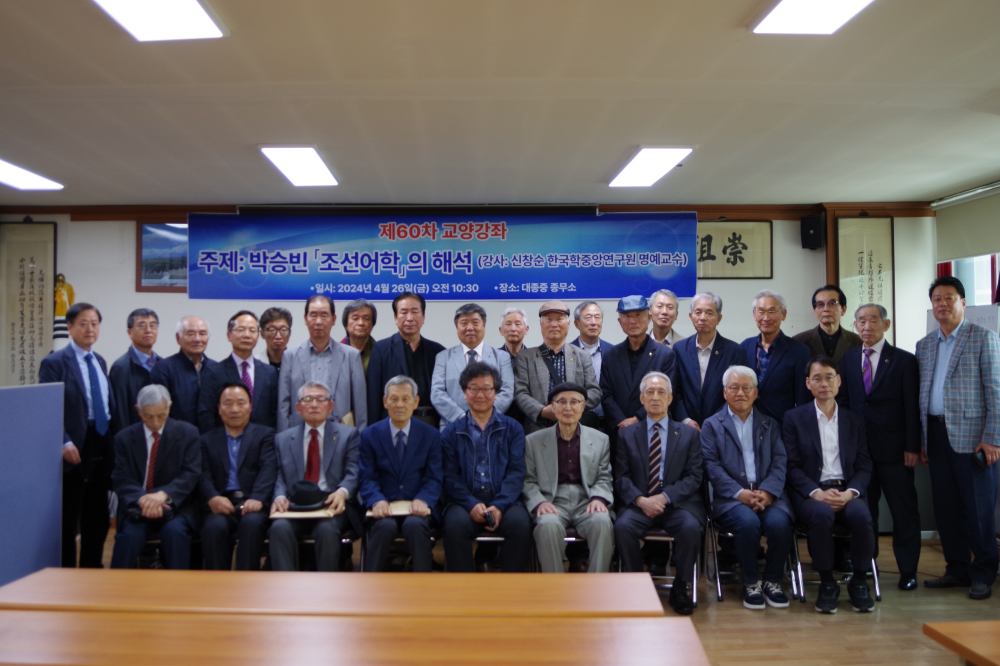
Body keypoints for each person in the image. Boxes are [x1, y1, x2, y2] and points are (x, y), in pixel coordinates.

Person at [917, 276, 1000, 600]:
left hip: (974, 439)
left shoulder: (984, 338)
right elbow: (924, 394)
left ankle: (983, 573)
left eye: (949, 298)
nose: (942, 304)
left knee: (979, 511)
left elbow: (996, 392)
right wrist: (923, 439)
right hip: (936, 436)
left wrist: (992, 438)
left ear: (963, 303)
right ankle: (957, 569)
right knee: (947, 509)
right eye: (937, 299)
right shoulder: (925, 345)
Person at [783, 356, 876, 614]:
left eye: (829, 377)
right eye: (817, 378)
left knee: (861, 515)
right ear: (808, 384)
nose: (824, 383)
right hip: (811, 492)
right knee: (821, 514)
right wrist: (816, 492)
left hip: (847, 490)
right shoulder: (794, 418)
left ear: (839, 381)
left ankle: (859, 581)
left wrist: (849, 493)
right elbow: (791, 466)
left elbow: (864, 465)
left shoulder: (854, 420)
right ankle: (827, 583)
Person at [842, 303, 922, 591]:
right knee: (865, 513)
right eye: (861, 321)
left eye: (873, 320)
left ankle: (908, 570)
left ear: (886, 325)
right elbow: (846, 403)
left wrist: (912, 446)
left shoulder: (904, 360)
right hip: (860, 452)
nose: (867, 326)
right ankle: (866, 568)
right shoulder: (849, 358)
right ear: (855, 326)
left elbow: (912, 407)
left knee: (904, 512)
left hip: (895, 450)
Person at [701, 365, 793, 610]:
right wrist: (739, 493)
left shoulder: (770, 424)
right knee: (748, 523)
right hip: (731, 499)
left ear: (756, 392)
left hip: (769, 495)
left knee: (780, 524)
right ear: (724, 392)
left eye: (746, 388)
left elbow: (780, 461)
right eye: (734, 387)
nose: (740, 393)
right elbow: (711, 465)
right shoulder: (711, 425)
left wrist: (768, 492)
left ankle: (773, 580)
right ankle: (751, 582)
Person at [613, 372, 704, 616]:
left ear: (670, 398)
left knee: (691, 528)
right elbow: (621, 477)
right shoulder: (626, 434)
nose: (655, 397)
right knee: (622, 527)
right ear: (642, 398)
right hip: (639, 504)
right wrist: (641, 500)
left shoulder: (689, 434)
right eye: (650, 392)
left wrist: (664, 498)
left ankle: (681, 588)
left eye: (661, 392)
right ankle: (636, 587)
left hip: (677, 504)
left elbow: (694, 476)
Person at [39, 302, 115, 568]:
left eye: (94, 323)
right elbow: (47, 409)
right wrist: (64, 441)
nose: (90, 329)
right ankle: (67, 573)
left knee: (98, 515)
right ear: (70, 328)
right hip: (73, 445)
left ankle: (92, 569)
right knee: (69, 517)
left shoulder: (99, 360)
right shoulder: (54, 362)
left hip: (101, 441)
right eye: (83, 324)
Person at [441, 362, 532, 572]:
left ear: (496, 393)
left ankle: (512, 587)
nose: (480, 394)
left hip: (505, 500)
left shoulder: (513, 429)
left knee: (520, 525)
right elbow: (450, 477)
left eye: (487, 389)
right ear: (464, 393)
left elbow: (516, 472)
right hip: (464, 501)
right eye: (474, 389)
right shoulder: (450, 433)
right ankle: (463, 588)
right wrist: (471, 503)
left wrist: (499, 505)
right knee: (454, 527)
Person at [269, 381, 362, 571]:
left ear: (330, 406)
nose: (314, 404)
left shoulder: (348, 435)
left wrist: (342, 492)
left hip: (330, 503)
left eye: (320, 399)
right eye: (308, 399)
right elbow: (279, 475)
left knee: (326, 530)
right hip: (295, 504)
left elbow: (353, 472)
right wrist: (279, 496)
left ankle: (326, 586)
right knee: (279, 529)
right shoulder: (283, 439)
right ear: (298, 407)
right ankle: (283, 585)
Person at [522, 382, 614, 573]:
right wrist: (539, 503)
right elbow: (528, 480)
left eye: (574, 402)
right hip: (552, 500)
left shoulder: (600, 439)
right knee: (547, 525)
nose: (568, 407)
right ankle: (555, 586)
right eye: (561, 402)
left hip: (587, 499)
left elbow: (604, 476)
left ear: (583, 405)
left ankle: (598, 584)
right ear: (552, 406)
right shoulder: (533, 441)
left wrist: (598, 498)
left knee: (602, 522)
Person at [110, 384, 201, 569]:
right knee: (129, 537)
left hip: (175, 507)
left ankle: (179, 585)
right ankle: (115, 585)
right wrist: (144, 500)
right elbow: (121, 477)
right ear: (138, 410)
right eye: (148, 416)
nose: (155, 422)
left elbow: (191, 473)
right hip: (138, 507)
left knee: (175, 534)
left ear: (169, 407)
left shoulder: (188, 433)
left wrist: (163, 495)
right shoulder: (124, 438)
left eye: (161, 415)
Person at [359, 376, 442, 572]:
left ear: (416, 402)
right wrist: (376, 500)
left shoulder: (431, 435)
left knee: (415, 525)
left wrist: (423, 499)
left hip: (417, 504)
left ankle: (423, 580)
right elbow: (367, 476)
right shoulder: (369, 435)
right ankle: (371, 581)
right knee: (384, 526)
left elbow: (434, 476)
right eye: (394, 399)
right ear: (385, 401)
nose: (399, 404)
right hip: (384, 504)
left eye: (406, 399)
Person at [198, 383, 277, 571]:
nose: (234, 409)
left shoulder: (265, 435)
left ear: (250, 406)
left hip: (253, 504)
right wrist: (212, 497)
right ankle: (218, 583)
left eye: (241, 403)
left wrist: (258, 497)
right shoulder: (206, 440)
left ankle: (246, 582)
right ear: (219, 408)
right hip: (221, 503)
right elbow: (202, 474)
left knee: (252, 524)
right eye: (228, 403)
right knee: (213, 527)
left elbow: (268, 469)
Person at [278, 296, 367, 431]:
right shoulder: (290, 356)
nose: (318, 321)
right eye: (313, 315)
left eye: (324, 316)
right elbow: (283, 406)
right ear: (305, 319)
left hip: (340, 435)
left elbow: (360, 406)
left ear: (333, 319)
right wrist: (285, 440)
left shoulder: (351, 356)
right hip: (300, 434)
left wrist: (358, 440)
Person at [515, 301, 602, 435]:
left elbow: (595, 391)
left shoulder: (582, 355)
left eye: (559, 319)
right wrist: (542, 411)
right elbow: (520, 392)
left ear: (568, 323)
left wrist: (572, 407)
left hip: (576, 429)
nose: (554, 324)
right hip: (538, 429)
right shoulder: (525, 357)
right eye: (549, 319)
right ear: (541, 324)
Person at [600, 296, 676, 441]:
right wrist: (621, 422)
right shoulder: (611, 355)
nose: (633, 321)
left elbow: (668, 394)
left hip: (653, 429)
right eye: (627, 316)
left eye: (638, 315)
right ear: (620, 322)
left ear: (649, 318)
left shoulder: (665, 355)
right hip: (618, 431)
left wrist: (637, 419)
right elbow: (605, 394)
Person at [367, 292, 446, 426]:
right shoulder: (380, 349)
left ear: (423, 317)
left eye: (415, 312)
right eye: (404, 312)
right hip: (392, 423)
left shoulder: (438, 351)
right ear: (395, 318)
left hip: (430, 424)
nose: (409, 318)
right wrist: (374, 431)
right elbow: (373, 397)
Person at [431, 303, 515, 430]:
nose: (470, 328)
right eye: (464, 323)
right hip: (452, 426)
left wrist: (485, 416)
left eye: (475, 322)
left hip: (492, 426)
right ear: (457, 327)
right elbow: (437, 392)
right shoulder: (443, 357)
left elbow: (507, 391)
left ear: (484, 325)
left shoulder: (501, 357)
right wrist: (461, 417)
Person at [673, 292, 748, 430]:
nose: (702, 317)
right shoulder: (679, 349)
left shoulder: (735, 351)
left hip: (722, 427)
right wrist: (686, 420)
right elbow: (675, 390)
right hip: (686, 428)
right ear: (691, 316)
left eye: (709, 313)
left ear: (719, 318)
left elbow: (736, 394)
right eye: (698, 312)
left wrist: (714, 423)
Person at [198, 310, 278, 433]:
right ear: (229, 335)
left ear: (258, 335)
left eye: (252, 330)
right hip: (225, 441)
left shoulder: (270, 372)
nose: (247, 335)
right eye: (241, 330)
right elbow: (206, 413)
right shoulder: (213, 372)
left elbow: (275, 413)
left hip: (262, 441)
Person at [739, 290, 810, 425]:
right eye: (761, 312)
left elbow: (803, 398)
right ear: (754, 314)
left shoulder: (799, 351)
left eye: (772, 312)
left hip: (782, 426)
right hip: (747, 424)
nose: (766, 318)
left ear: (784, 314)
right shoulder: (744, 347)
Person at [149, 316, 216, 427]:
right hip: (177, 435)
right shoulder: (163, 369)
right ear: (178, 338)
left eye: (202, 333)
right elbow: (159, 411)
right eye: (191, 334)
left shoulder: (216, 369)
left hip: (211, 436)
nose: (197, 339)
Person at [109, 308, 160, 432]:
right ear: (129, 332)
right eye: (142, 325)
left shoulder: (163, 365)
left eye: (153, 325)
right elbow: (120, 413)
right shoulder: (121, 367)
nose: (148, 330)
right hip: (133, 436)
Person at [793, 285, 862, 370]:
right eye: (820, 304)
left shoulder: (858, 342)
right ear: (815, 311)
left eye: (832, 304)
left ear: (843, 310)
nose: (826, 309)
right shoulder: (799, 341)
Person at [570, 301, 613, 429]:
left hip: (609, 422)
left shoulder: (613, 352)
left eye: (597, 317)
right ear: (576, 323)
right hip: (578, 422)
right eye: (588, 318)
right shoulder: (567, 352)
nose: (593, 322)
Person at [341, 298, 378, 374]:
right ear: (346, 325)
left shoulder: (380, 353)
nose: (361, 323)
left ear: (372, 325)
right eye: (355, 318)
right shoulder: (335, 353)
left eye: (366, 319)